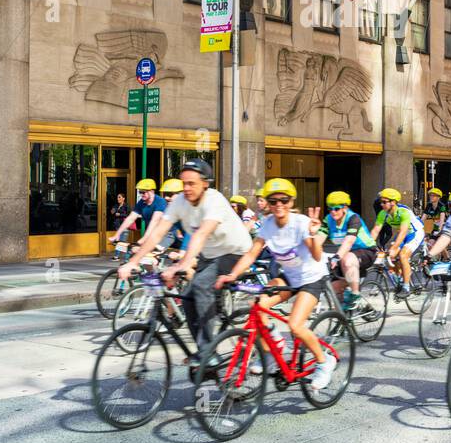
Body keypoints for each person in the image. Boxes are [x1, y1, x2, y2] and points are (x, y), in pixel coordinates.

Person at [116, 160, 251, 367]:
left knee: (200, 286)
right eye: (183, 183)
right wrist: (132, 262)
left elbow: (201, 234)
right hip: (210, 254)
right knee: (187, 296)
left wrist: (181, 265)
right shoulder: (180, 201)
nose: (186, 189)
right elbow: (158, 232)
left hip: (235, 252)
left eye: (192, 183)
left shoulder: (215, 201)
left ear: (205, 183)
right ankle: (203, 350)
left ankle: (208, 352)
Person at [215, 178, 337, 390]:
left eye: (284, 200)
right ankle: (272, 352)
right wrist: (232, 275)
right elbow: (252, 253)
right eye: (273, 201)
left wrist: (313, 235)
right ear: (268, 204)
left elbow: (317, 257)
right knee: (259, 306)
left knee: (295, 325)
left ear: (291, 202)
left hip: (311, 278)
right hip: (289, 276)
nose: (278, 204)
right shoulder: (268, 225)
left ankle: (324, 362)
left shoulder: (300, 223)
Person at [322, 191, 376, 311]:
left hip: (366, 251)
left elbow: (349, 241)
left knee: (346, 259)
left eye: (336, 208)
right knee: (333, 288)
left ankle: (356, 295)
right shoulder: (328, 220)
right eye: (330, 208)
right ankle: (342, 321)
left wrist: (337, 257)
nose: (332, 212)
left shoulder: (353, 218)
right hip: (345, 255)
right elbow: (318, 239)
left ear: (345, 208)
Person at [367, 188, 425, 298]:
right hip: (402, 234)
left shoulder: (404, 212)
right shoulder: (383, 214)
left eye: (384, 202)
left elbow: (403, 232)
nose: (381, 204)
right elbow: (375, 230)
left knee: (403, 255)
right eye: (381, 202)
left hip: (415, 233)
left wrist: (395, 247)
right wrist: (367, 245)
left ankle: (406, 287)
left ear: (393, 202)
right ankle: (399, 276)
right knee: (390, 255)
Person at [111, 179, 166, 250]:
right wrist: (117, 234)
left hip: (165, 234)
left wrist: (143, 239)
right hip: (151, 234)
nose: (141, 194)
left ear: (152, 191)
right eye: (140, 192)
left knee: (155, 256)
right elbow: (130, 218)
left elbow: (154, 221)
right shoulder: (141, 202)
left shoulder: (160, 202)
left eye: (144, 192)